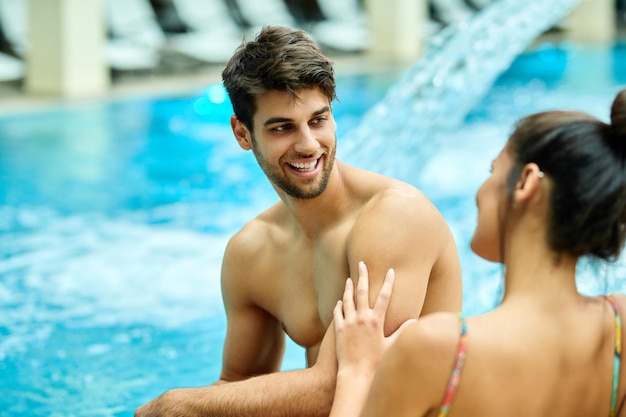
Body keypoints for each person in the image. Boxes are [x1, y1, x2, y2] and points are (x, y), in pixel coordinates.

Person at [134, 25, 462, 417]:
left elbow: (353, 382)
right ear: (242, 133)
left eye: (318, 120)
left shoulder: (393, 217)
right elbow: (236, 390)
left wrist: (177, 404)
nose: (308, 144)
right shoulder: (251, 252)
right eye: (282, 128)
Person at [329, 89, 626, 417]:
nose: (480, 192)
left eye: (492, 171)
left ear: (525, 182)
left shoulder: (440, 349)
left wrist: (357, 371)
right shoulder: (618, 328)